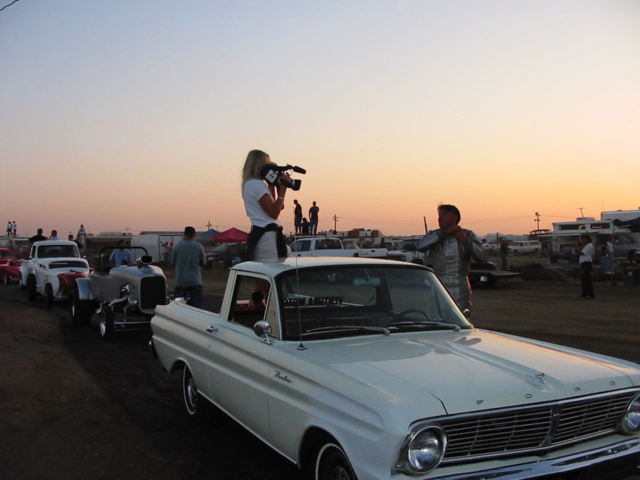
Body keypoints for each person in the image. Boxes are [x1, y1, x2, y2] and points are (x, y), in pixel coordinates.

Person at [417, 204, 485, 314]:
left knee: (461, 318)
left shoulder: (468, 234)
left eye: (444, 214)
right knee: (438, 318)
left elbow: (482, 257)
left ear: (455, 217)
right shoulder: (435, 235)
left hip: (460, 287)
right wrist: (442, 234)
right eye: (439, 215)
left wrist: (465, 241)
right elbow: (420, 246)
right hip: (438, 285)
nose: (440, 218)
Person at [242, 149, 288, 261]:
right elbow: (274, 213)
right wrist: (282, 191)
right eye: (267, 165)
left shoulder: (251, 184)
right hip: (267, 237)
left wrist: (271, 185)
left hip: (264, 234)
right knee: (271, 271)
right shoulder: (256, 184)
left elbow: (277, 206)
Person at [171, 226, 206, 308]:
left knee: (178, 306)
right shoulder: (199, 246)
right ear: (194, 235)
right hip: (195, 280)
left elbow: (172, 262)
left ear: (184, 234)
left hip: (181, 281)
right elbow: (203, 263)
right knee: (198, 307)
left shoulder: (177, 247)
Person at [578, 234, 595, 299]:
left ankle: (590, 294)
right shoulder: (587, 246)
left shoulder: (589, 245)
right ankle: (585, 293)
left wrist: (578, 246)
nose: (582, 241)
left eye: (583, 239)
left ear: (587, 240)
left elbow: (581, 253)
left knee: (587, 279)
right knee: (584, 279)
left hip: (586, 264)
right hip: (585, 263)